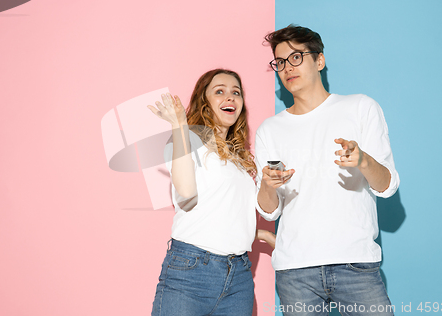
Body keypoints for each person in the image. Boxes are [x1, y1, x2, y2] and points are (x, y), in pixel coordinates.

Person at [255, 25, 400, 316]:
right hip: (295, 271)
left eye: (296, 57)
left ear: (319, 60)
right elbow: (270, 211)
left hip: (355, 264)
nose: (287, 68)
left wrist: (363, 161)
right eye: (280, 62)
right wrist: (268, 186)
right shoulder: (270, 130)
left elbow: (388, 186)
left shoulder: (360, 107)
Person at [148, 69, 258, 316]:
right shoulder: (186, 140)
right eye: (219, 91)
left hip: (238, 275)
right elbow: (186, 194)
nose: (229, 97)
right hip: (191, 271)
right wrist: (179, 125)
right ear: (204, 101)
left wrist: (260, 233)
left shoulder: (241, 158)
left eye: (235, 92)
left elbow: (224, 208)